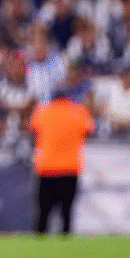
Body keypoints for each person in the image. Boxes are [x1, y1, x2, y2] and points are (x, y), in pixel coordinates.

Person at [28, 86, 94, 235]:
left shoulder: (42, 111)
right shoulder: (79, 111)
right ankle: (66, 240)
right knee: (67, 211)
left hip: (46, 167)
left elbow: (33, 129)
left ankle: (40, 241)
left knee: (43, 211)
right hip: (70, 168)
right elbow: (89, 130)